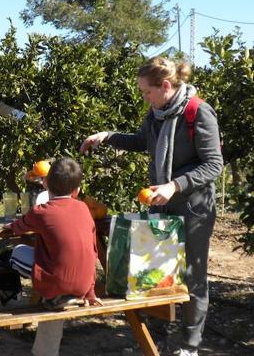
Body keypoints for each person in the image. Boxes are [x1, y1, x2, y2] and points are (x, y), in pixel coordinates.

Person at [80, 57, 223, 356]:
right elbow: (142, 141)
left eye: (147, 92)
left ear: (166, 86)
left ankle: (189, 346)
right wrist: (107, 137)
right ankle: (158, 341)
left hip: (193, 208)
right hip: (162, 205)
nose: (144, 97)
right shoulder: (156, 113)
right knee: (158, 273)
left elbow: (213, 164)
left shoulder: (198, 113)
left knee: (193, 275)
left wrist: (175, 185)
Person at [4, 157, 101, 356]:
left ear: (45, 183)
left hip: (56, 281)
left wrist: (11, 226)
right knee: (59, 262)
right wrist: (91, 291)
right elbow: (93, 251)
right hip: (84, 285)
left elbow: (18, 227)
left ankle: (55, 294)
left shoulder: (41, 211)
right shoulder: (84, 209)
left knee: (15, 254)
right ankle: (62, 295)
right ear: (77, 191)